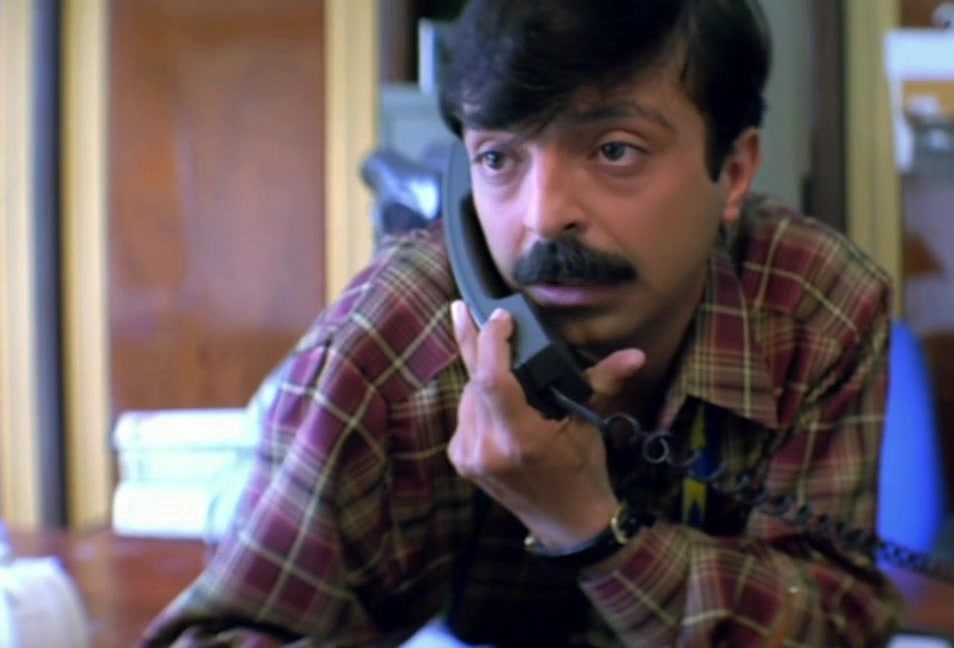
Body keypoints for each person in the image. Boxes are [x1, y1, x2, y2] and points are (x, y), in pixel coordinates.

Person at [141, 0, 904, 645]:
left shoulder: (815, 305)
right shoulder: (393, 339)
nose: (543, 218)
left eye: (615, 150)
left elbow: (838, 616)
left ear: (733, 173)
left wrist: (592, 527)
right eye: (499, 159)